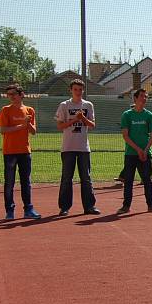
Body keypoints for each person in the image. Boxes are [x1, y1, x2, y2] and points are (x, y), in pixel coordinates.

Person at [0, 83, 41, 220]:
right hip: (9, 151)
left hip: (25, 151)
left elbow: (33, 132)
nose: (11, 97)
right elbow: (3, 130)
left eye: (13, 94)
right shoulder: (6, 110)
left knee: (26, 181)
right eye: (9, 94)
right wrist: (22, 125)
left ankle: (28, 209)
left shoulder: (29, 110)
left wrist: (28, 124)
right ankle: (9, 210)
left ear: (21, 95)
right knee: (9, 182)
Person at [55, 78, 100, 216]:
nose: (78, 92)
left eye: (80, 90)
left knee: (86, 178)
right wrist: (75, 119)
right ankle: (64, 207)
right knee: (67, 178)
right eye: (75, 89)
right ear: (71, 90)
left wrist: (83, 119)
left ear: (83, 90)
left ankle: (89, 206)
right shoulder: (64, 105)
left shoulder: (88, 105)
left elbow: (92, 125)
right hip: (68, 147)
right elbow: (60, 126)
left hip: (83, 148)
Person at [117, 89, 152, 214]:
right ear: (135, 99)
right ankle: (126, 206)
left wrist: (145, 151)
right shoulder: (127, 115)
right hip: (131, 153)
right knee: (128, 180)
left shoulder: (149, 115)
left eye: (146, 96)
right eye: (141, 96)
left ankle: (151, 205)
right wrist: (138, 150)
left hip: (146, 154)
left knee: (147, 180)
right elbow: (125, 135)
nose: (144, 98)